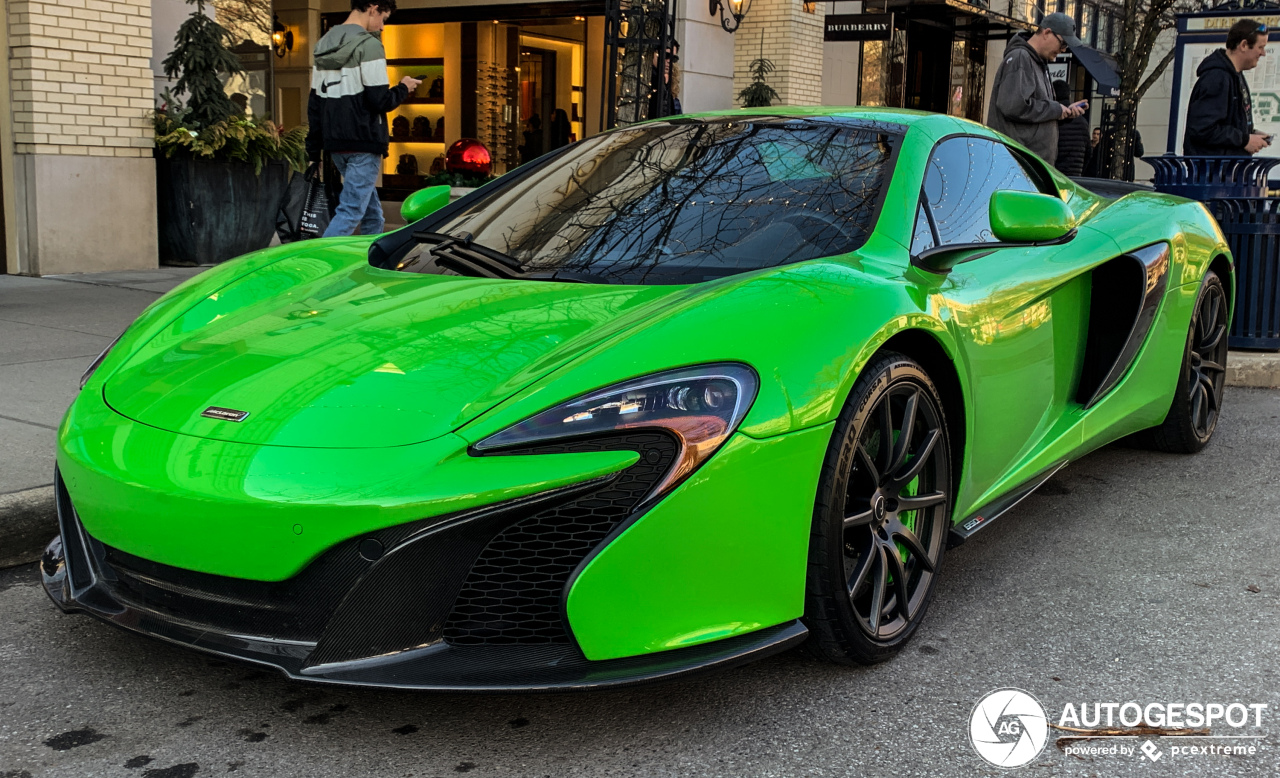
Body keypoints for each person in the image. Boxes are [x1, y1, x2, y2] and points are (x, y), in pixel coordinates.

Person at [306, 0, 420, 237]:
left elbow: (315, 104)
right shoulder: (370, 46)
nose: (382, 27)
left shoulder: (323, 44)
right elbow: (379, 100)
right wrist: (403, 87)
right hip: (364, 141)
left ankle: (370, 261)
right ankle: (318, 264)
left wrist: (313, 152)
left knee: (372, 215)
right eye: (383, 18)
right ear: (373, 7)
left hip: (336, 145)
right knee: (350, 212)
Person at [986, 12, 1085, 166]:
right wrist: (1054, 109)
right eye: (1063, 43)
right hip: (1020, 163)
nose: (1063, 50)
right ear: (1047, 33)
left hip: (1028, 163)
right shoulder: (1021, 58)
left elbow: (1029, 114)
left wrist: (1063, 112)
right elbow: (1013, 106)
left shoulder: (1036, 62)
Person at [1184, 19, 1270, 156]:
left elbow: (1224, 124)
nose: (1263, 53)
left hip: (1227, 172)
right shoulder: (1217, 78)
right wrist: (1244, 140)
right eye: (1260, 47)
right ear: (1243, 45)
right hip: (1214, 173)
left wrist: (1250, 134)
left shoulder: (1234, 76)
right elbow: (1202, 129)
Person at [1052, 80, 1090, 176]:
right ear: (1069, 95)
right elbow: (1088, 153)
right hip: (1075, 174)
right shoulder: (1082, 122)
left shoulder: (1052, 118)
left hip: (1054, 172)